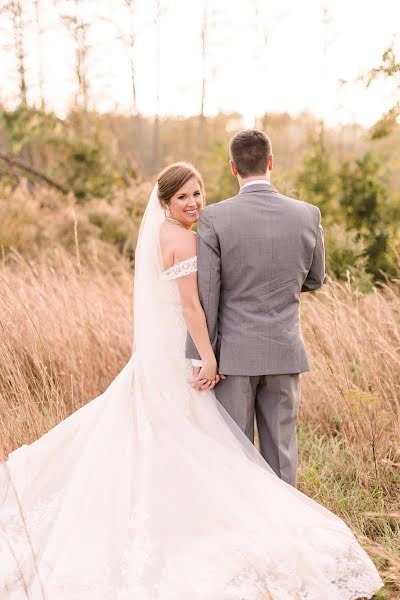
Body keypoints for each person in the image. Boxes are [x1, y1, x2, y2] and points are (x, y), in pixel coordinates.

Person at [0, 160, 382, 599]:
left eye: (198, 193)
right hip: (181, 351)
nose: (194, 202)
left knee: (167, 438)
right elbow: (190, 308)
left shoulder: (169, 234)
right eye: (183, 196)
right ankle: (203, 526)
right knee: (190, 439)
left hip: (160, 350)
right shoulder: (182, 240)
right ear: (166, 202)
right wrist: (208, 357)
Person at [187, 129, 324, 487]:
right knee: (281, 452)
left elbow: (208, 292)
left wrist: (204, 355)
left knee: (234, 453)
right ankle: (285, 531)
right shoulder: (308, 215)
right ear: (271, 162)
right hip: (284, 349)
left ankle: (242, 534)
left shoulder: (215, 218)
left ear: (233, 167)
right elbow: (314, 279)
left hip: (234, 356)